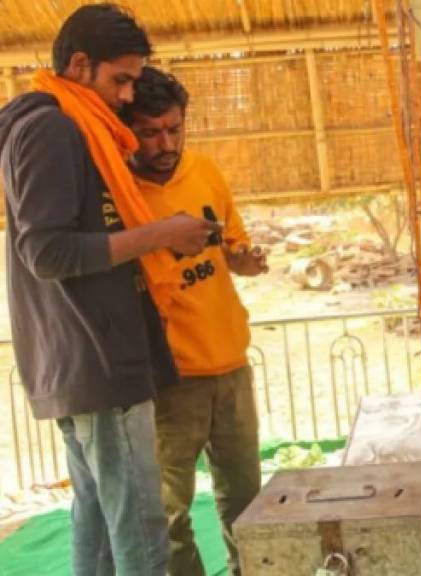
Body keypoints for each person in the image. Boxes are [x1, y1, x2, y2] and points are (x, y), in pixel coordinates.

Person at [0, 5, 219, 576]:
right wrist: (160, 235)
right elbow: (45, 252)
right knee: (140, 523)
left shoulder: (78, 128)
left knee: (98, 519)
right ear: (79, 65)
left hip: (90, 356)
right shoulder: (52, 127)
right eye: (120, 79)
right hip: (95, 355)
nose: (128, 95)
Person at [120, 66, 268, 576]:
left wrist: (243, 260)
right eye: (150, 131)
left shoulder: (205, 171)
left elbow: (231, 244)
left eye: (175, 129)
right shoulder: (117, 195)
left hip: (231, 367)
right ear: (127, 129)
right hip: (170, 382)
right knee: (170, 515)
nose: (165, 143)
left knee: (247, 501)